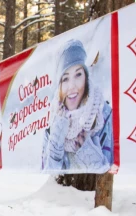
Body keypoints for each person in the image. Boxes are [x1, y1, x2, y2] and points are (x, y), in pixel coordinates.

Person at [42, 39, 113, 173]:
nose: (72, 86)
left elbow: (114, 175)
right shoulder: (53, 123)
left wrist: (88, 154)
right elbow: (44, 179)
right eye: (65, 78)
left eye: (78, 74)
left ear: (86, 77)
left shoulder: (103, 115)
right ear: (60, 85)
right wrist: (55, 152)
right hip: (62, 194)